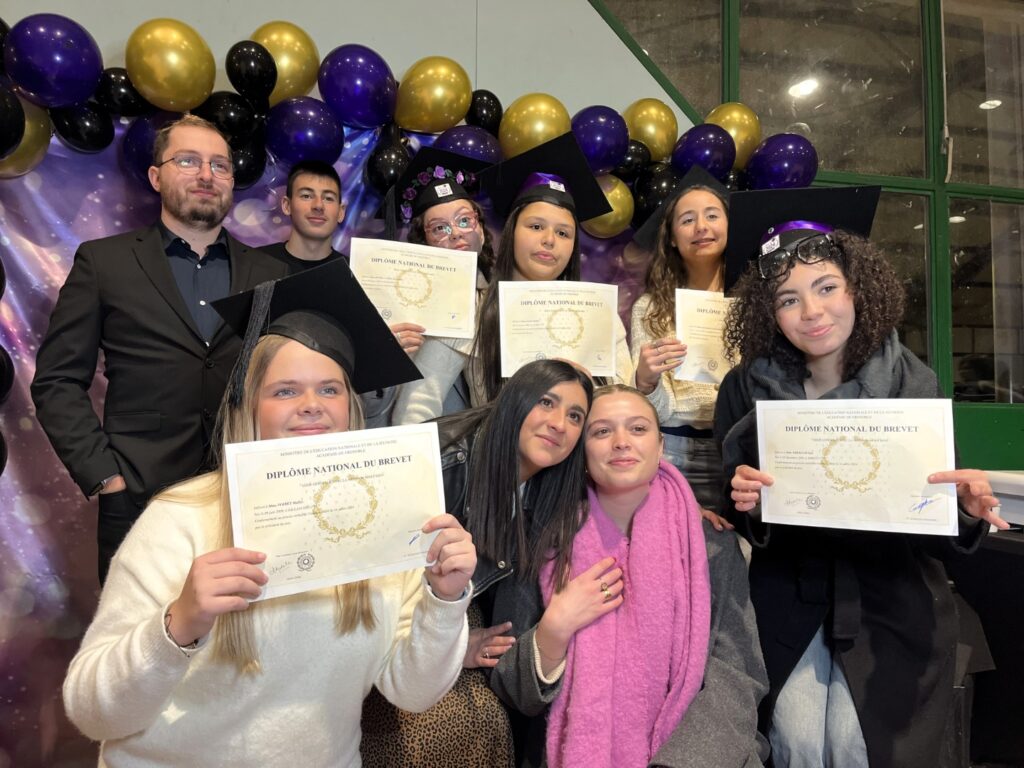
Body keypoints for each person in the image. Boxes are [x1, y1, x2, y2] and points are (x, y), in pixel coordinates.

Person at [63, 261, 473, 766]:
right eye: (285, 390)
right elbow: (92, 714)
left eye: (330, 388)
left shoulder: (387, 523)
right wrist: (179, 623)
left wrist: (444, 598)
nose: (311, 405)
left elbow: (413, 692)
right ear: (248, 404)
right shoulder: (179, 520)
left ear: (351, 406)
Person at [714, 186, 1008, 768]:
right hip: (790, 595)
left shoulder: (912, 382)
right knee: (796, 743)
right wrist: (748, 502)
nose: (812, 311)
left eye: (826, 287)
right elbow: (740, 507)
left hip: (889, 598)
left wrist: (963, 509)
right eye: (789, 299)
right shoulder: (744, 387)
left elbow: (931, 513)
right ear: (769, 313)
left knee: (857, 747)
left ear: (857, 288)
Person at [31, 114, 289, 583]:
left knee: (242, 627)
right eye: (188, 161)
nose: (206, 175)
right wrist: (106, 476)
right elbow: (57, 380)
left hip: (248, 499)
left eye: (219, 165)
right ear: (156, 176)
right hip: (138, 498)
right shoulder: (104, 262)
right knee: (140, 628)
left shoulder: (270, 273)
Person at [362, 358, 594, 767]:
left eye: (575, 415)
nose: (559, 423)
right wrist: (455, 645)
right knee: (461, 727)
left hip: (454, 612)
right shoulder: (444, 461)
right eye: (546, 402)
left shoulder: (553, 483)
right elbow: (381, 586)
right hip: (389, 622)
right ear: (516, 399)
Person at [527, 384, 768, 768]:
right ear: (581, 452)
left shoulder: (712, 545)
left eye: (638, 428)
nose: (621, 442)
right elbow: (512, 685)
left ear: (660, 447)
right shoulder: (547, 546)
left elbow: (737, 676)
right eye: (602, 431)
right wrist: (553, 632)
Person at [393, 133, 632, 425]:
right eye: (535, 226)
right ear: (511, 232)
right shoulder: (470, 308)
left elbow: (627, 406)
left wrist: (587, 389)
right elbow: (417, 407)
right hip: (496, 452)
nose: (549, 240)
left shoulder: (600, 313)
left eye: (563, 233)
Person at [264, 158, 424, 426]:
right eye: (306, 195)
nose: (318, 205)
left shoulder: (360, 276)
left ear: (340, 211)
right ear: (287, 205)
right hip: (271, 416)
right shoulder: (255, 267)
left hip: (341, 418)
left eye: (328, 198)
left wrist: (389, 349)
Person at [629, 166, 730, 512]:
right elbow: (660, 412)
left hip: (739, 453)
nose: (701, 227)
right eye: (687, 220)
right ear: (672, 237)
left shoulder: (754, 303)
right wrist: (645, 383)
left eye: (712, 215)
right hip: (672, 453)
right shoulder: (650, 309)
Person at [394, 146, 495, 417]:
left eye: (464, 220)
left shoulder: (499, 290)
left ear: (481, 230)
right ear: (424, 241)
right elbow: (417, 406)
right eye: (440, 228)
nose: (456, 234)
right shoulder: (415, 300)